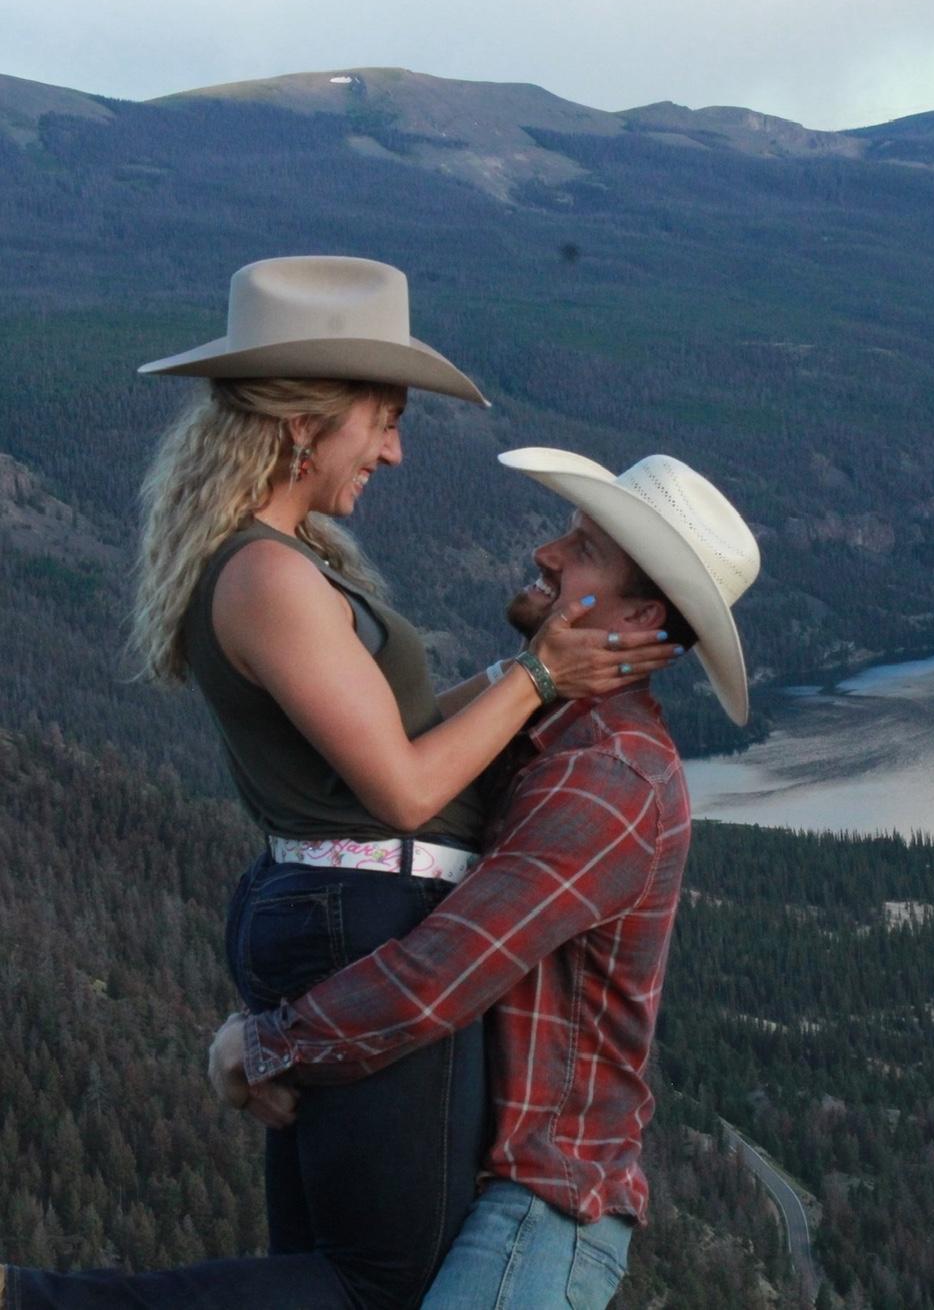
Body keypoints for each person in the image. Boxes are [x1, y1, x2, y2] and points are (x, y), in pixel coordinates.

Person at [0, 258, 675, 1310]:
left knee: (325, 1266)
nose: (396, 449)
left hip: (335, 906)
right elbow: (405, 788)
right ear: (306, 422)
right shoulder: (269, 573)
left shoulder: (279, 557)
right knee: (377, 1281)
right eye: (385, 419)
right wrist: (542, 673)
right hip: (361, 908)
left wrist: (521, 675)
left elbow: (393, 729)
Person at [207, 445, 761, 1309]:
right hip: (486, 1189)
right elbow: (403, 754)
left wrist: (268, 1042)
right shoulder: (548, 736)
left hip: (538, 1211)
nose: (546, 552)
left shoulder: (610, 778)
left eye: (582, 549)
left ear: (641, 614)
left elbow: (438, 978)